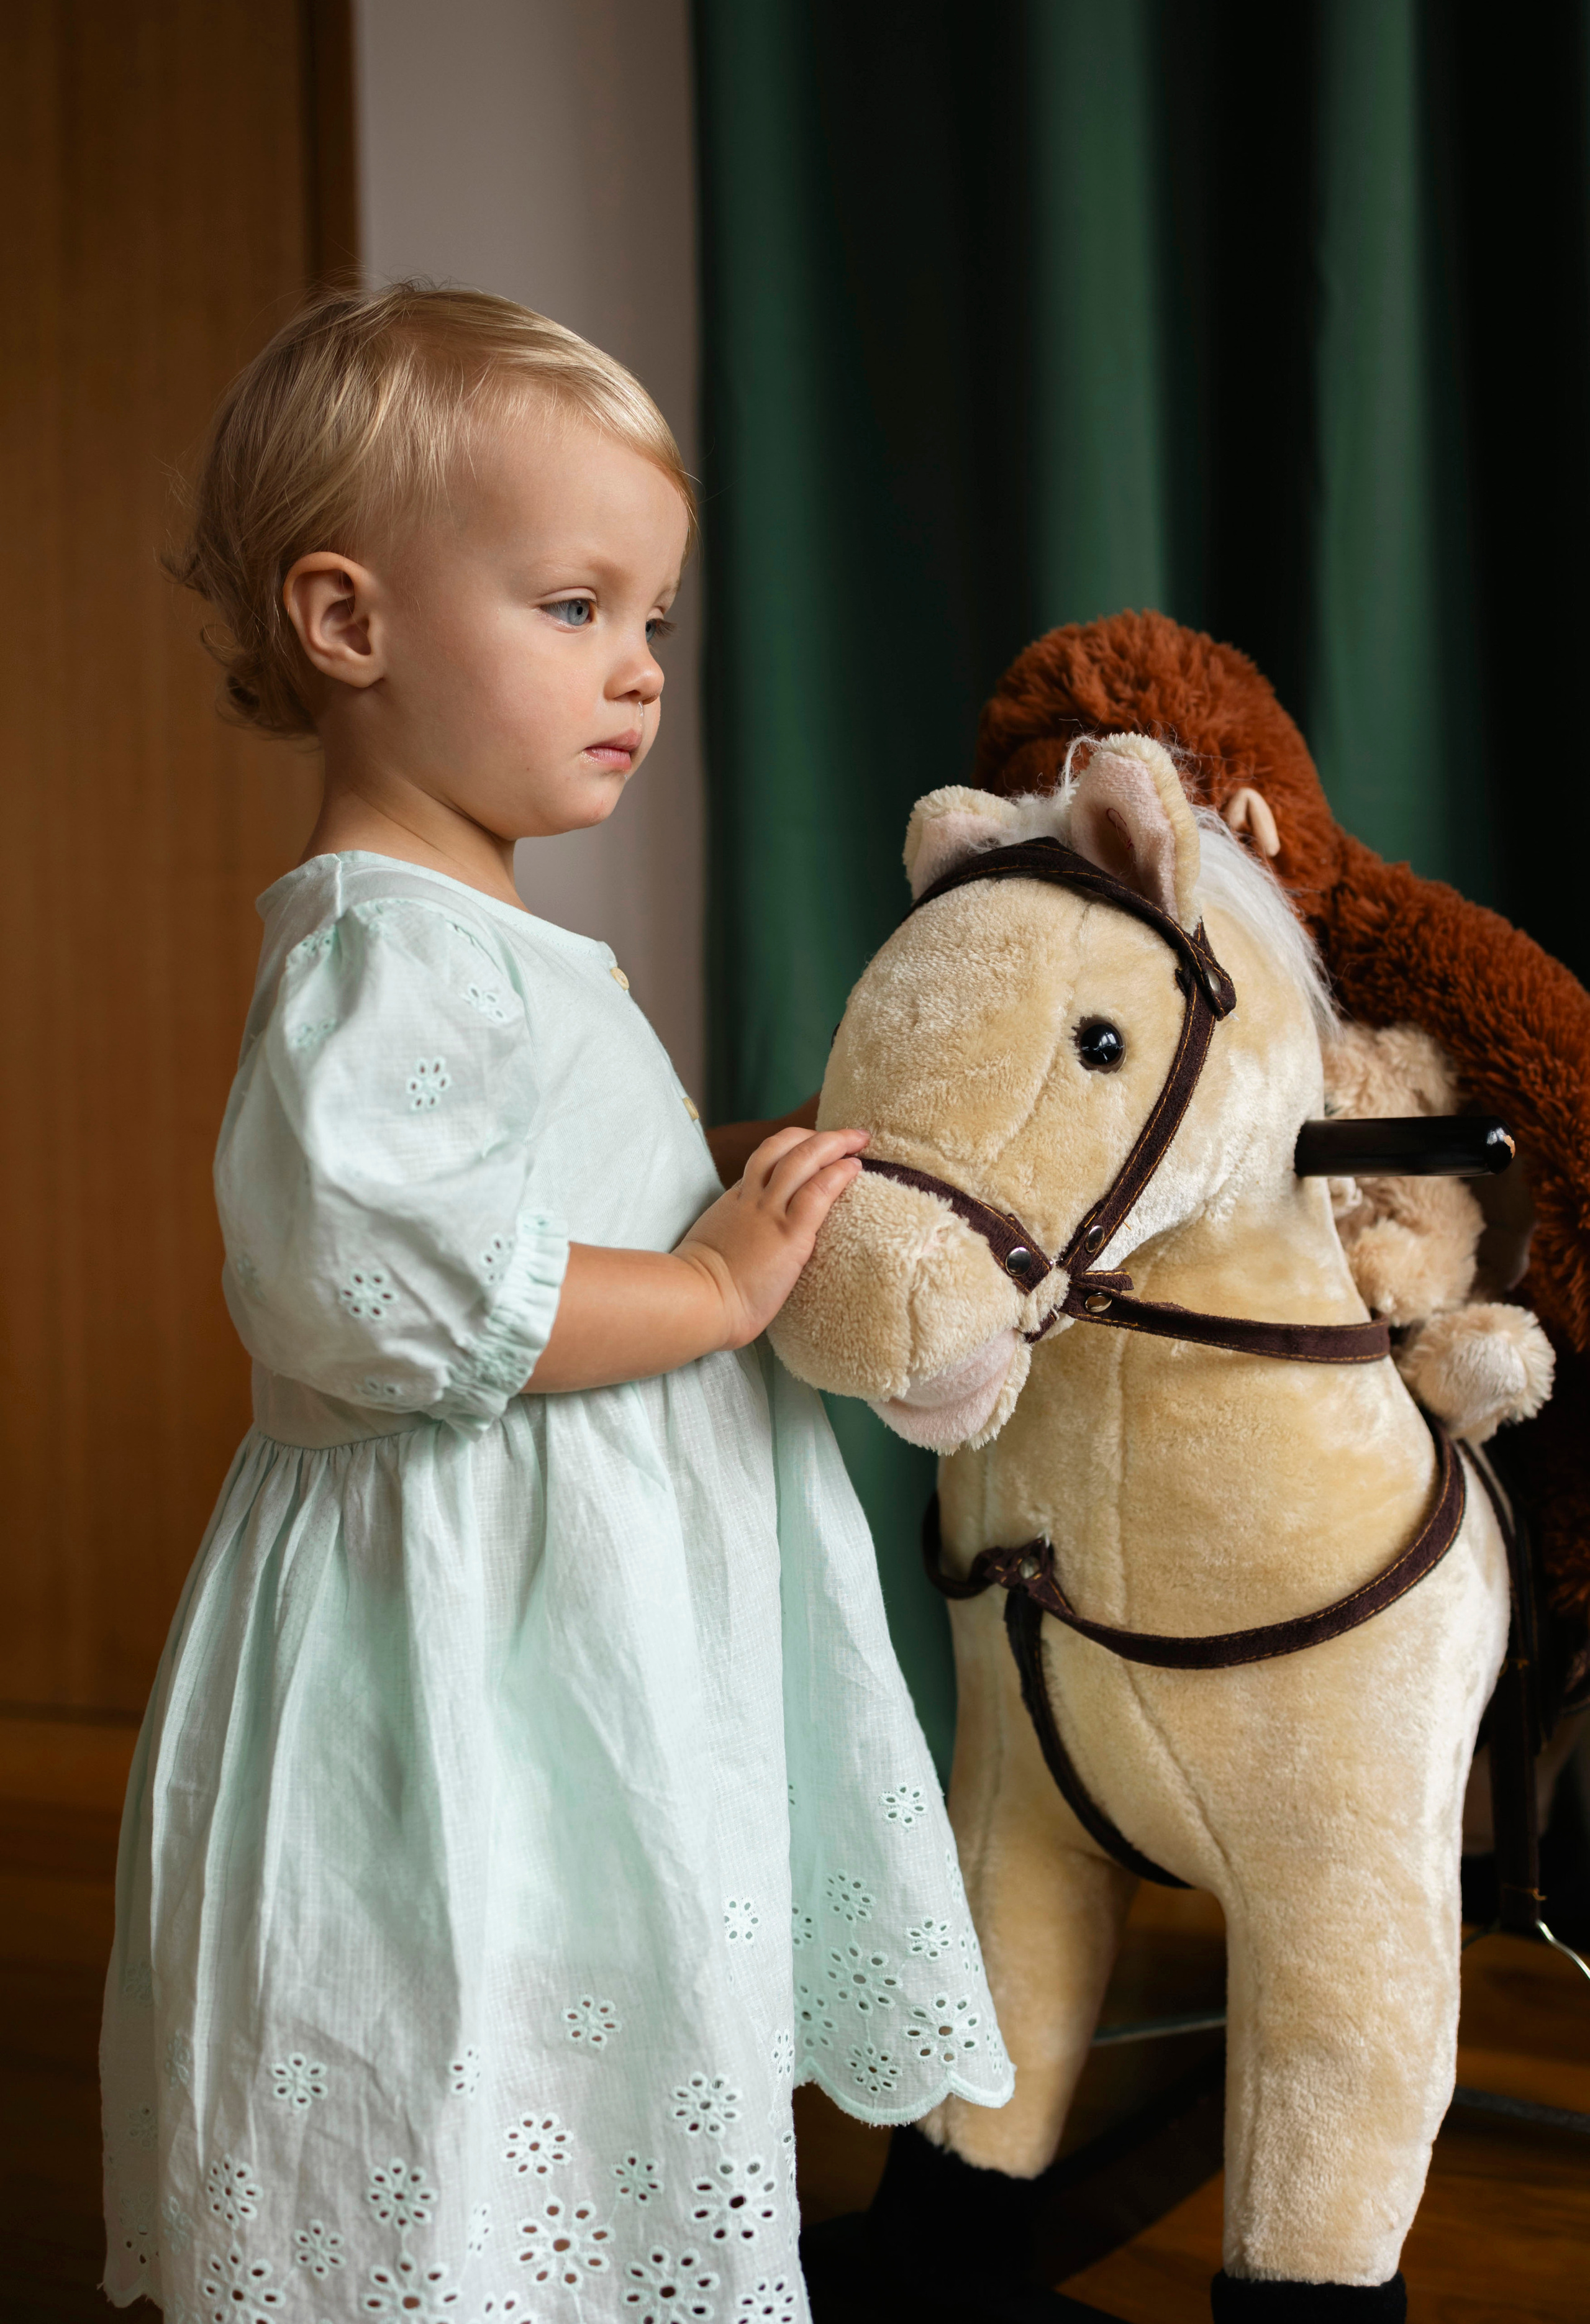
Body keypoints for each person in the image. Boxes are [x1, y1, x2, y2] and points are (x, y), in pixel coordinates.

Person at [99, 284, 1012, 2324]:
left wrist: (744, 1215)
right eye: (576, 607)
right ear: (350, 626)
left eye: (657, 619)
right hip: (465, 1628)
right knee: (450, 2001)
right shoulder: (382, 955)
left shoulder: (490, 937)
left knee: (588, 1996)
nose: (645, 673)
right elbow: (372, 1279)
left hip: (573, 1601)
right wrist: (704, 1279)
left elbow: (542, 1205)